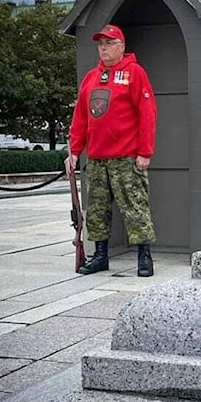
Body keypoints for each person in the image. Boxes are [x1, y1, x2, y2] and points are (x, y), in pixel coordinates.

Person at [64, 24, 157, 277]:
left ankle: (144, 256)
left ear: (121, 46)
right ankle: (101, 255)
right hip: (96, 158)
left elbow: (147, 114)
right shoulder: (91, 78)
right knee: (96, 209)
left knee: (135, 208)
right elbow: (81, 117)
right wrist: (74, 151)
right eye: (100, 44)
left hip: (126, 158)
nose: (103, 48)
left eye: (108, 43)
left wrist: (144, 152)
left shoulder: (135, 73)